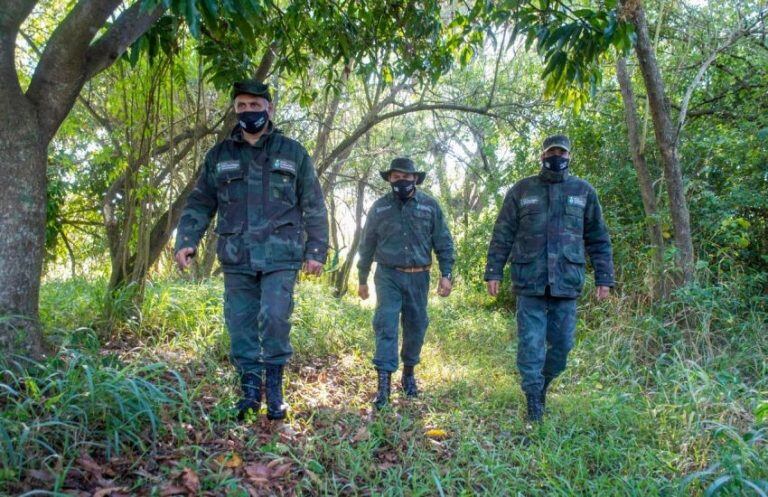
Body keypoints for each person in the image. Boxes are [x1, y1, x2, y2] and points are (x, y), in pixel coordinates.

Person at [174, 80, 329, 421]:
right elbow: (201, 201)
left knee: (275, 318)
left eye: (255, 105)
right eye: (241, 106)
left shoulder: (293, 153)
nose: (248, 112)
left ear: (269, 109)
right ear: (235, 110)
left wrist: (316, 249)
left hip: (281, 255)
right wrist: (187, 240)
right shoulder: (219, 156)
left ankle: (274, 391)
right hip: (237, 254)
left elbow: (313, 203)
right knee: (240, 324)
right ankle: (248, 392)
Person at [484, 134, 614, 422]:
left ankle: (542, 385)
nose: (557, 156)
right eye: (552, 151)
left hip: (566, 281)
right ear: (542, 155)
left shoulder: (583, 192)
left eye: (562, 152)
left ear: (569, 157)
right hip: (529, 280)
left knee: (563, 345)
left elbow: (598, 238)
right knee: (530, 343)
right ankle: (533, 402)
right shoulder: (522, 190)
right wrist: (493, 271)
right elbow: (502, 233)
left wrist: (604, 277)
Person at [357, 157, 455, 409]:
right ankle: (384, 386)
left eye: (406, 177)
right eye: (395, 177)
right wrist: (362, 279)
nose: (401, 181)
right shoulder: (379, 208)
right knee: (386, 324)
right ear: (389, 179)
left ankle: (409, 374)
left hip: (419, 276)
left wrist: (447, 274)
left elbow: (443, 241)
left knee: (416, 325)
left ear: (415, 179)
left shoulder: (430, 207)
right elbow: (367, 244)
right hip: (388, 275)